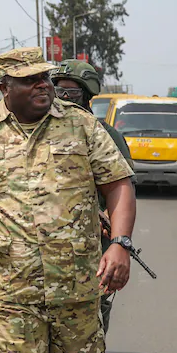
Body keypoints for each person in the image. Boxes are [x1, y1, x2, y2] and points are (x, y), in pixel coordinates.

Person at [0, 47, 137, 353]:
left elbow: (118, 185)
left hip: (76, 291)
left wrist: (120, 243)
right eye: (28, 80)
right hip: (10, 295)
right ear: (4, 87)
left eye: (44, 77)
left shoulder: (82, 126)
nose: (42, 85)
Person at [51, 59, 135, 334]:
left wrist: (113, 230)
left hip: (92, 241)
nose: (63, 99)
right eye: (58, 92)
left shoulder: (106, 135)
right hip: (49, 243)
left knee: (94, 312)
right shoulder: (43, 132)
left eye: (71, 93)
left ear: (87, 95)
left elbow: (121, 189)